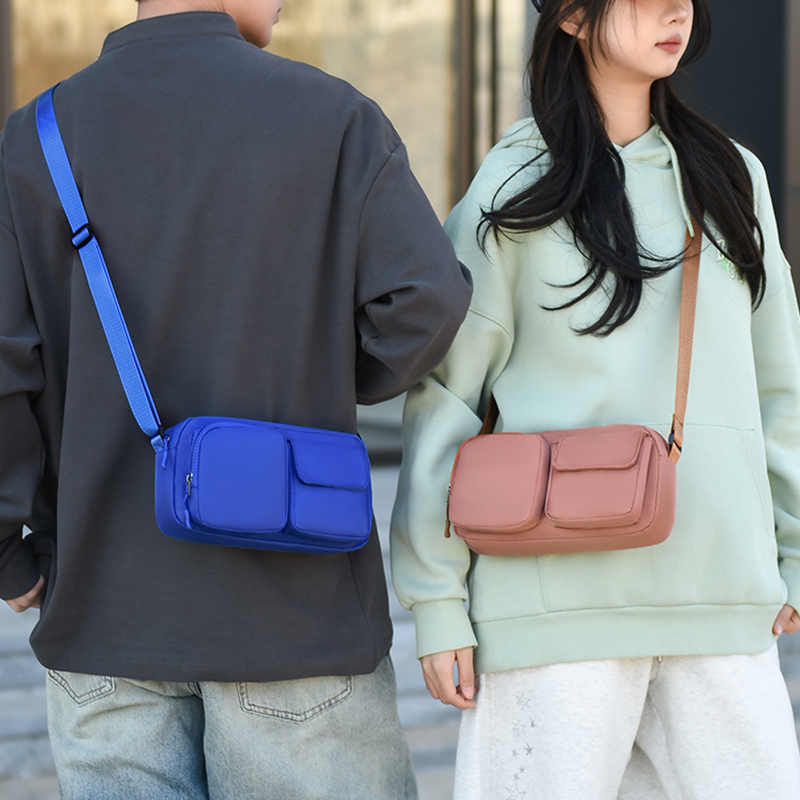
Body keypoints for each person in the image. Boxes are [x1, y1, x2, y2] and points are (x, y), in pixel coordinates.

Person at [0, 1, 473, 798]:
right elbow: (424, 302)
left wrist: (8, 557)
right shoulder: (334, 117)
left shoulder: (36, 137)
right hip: (295, 622)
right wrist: (327, 375)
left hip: (106, 620)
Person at [391, 0, 800, 797]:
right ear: (573, 17)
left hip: (718, 597)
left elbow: (779, 383)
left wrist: (794, 546)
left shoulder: (731, 176)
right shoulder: (514, 189)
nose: (677, 9)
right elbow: (445, 400)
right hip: (551, 611)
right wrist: (437, 601)